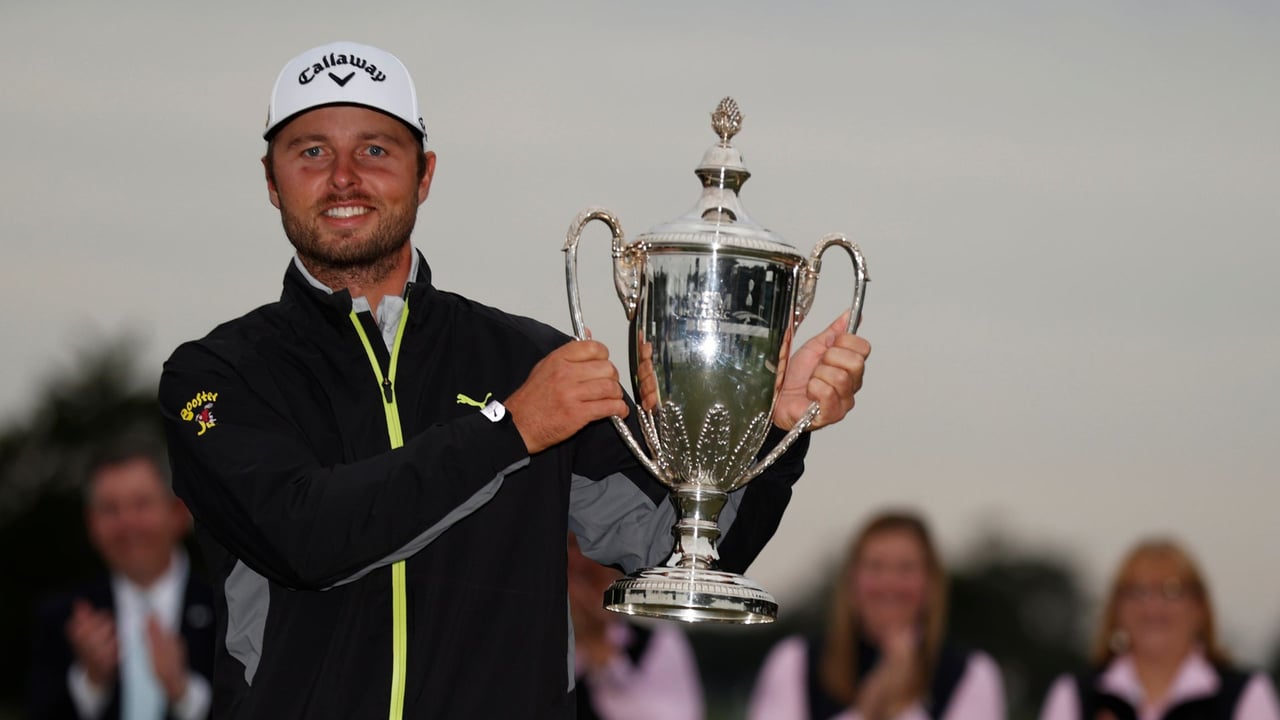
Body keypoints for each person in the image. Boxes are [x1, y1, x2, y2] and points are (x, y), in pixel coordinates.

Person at [156, 40, 871, 719]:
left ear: (424, 174)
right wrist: (510, 429)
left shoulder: (530, 361)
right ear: (271, 180)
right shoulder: (215, 377)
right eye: (312, 151)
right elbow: (303, 537)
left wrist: (773, 429)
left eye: (375, 149)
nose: (344, 176)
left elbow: (675, 546)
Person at [748, 511, 1004, 720]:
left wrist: (901, 702)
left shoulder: (971, 673)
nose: (889, 584)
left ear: (930, 583)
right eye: (876, 567)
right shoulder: (795, 662)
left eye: (906, 569)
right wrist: (870, 707)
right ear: (852, 581)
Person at [28, 439, 215, 720]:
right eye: (110, 509)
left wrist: (184, 693)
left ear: (178, 513)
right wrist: (91, 683)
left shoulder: (227, 609)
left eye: (142, 504)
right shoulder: (63, 618)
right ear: (92, 524)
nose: (127, 524)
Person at [1038, 538, 1280, 720]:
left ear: (1199, 608)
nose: (1153, 607)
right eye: (1138, 592)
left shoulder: (1244, 693)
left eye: (1171, 591)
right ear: (1116, 609)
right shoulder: (1076, 694)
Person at [567, 533, 703, 720]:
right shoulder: (535, 640)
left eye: (587, 546)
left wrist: (604, 657)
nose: (577, 560)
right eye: (569, 545)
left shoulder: (656, 640)